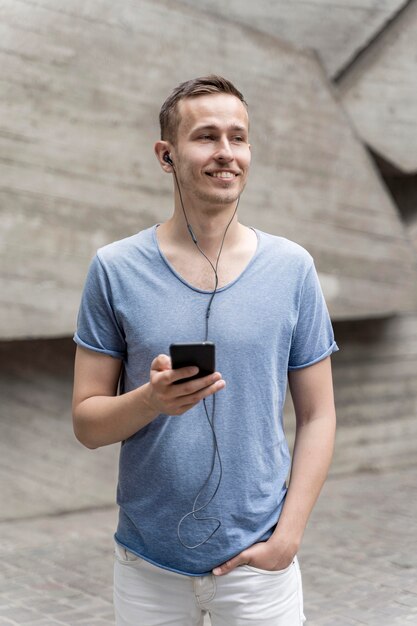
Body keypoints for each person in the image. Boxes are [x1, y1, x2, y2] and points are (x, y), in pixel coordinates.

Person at [72, 75, 338, 626]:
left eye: (238, 137)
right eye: (206, 136)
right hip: (148, 568)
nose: (226, 153)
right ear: (166, 155)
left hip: (259, 567)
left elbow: (319, 415)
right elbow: (88, 424)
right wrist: (151, 401)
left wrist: (287, 538)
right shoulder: (114, 269)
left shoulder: (292, 268)